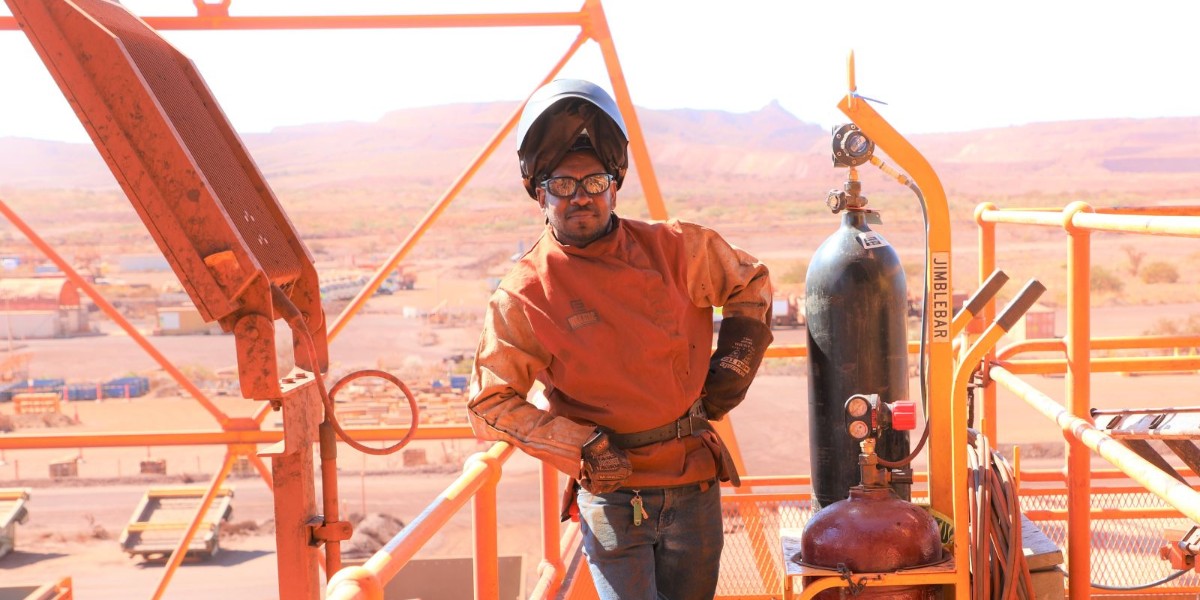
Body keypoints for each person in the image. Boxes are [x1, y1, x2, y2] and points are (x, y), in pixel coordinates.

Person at [467, 78, 773, 600]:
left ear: (615, 185)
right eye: (563, 184)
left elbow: (750, 282)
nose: (580, 197)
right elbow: (489, 402)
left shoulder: (677, 248)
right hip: (611, 495)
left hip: (692, 483)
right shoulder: (525, 294)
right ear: (539, 192)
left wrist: (736, 364)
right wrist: (578, 445)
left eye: (595, 182)